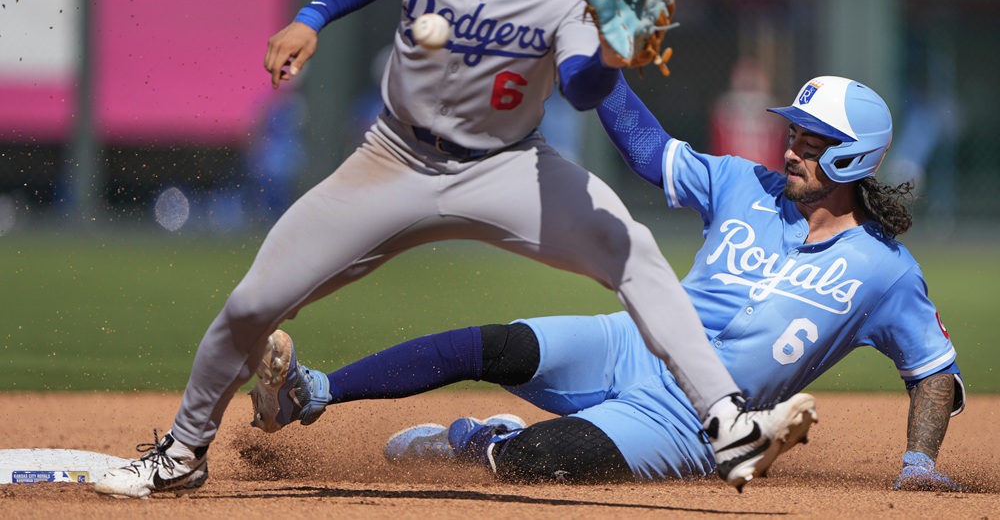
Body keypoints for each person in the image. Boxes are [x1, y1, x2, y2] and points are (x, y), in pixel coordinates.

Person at [93, 0, 809, 499]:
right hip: (392, 158)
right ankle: (182, 454)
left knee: (636, 252)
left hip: (508, 167)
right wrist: (313, 17)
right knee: (254, 303)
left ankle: (726, 422)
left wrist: (611, 58)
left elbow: (581, 87)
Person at [244, 75, 962, 489]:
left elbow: (932, 370)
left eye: (812, 141)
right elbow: (650, 152)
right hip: (633, 343)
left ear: (852, 158)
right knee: (494, 345)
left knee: (536, 461)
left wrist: (918, 463)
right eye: (794, 134)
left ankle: (477, 438)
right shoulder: (746, 184)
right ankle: (311, 393)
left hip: (689, 422)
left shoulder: (885, 271)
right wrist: (602, 78)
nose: (792, 149)